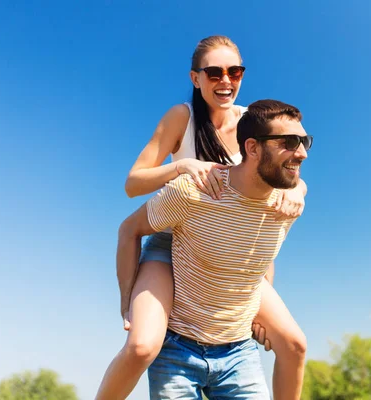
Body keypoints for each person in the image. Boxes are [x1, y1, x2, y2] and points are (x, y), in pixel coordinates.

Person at [96, 36, 307, 400]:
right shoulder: (183, 117)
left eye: (235, 71)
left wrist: (297, 191)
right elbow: (133, 184)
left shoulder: (248, 121)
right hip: (173, 231)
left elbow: (283, 170)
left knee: (291, 341)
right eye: (214, 72)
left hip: (235, 243)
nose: (225, 81)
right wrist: (181, 166)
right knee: (143, 345)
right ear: (196, 78)